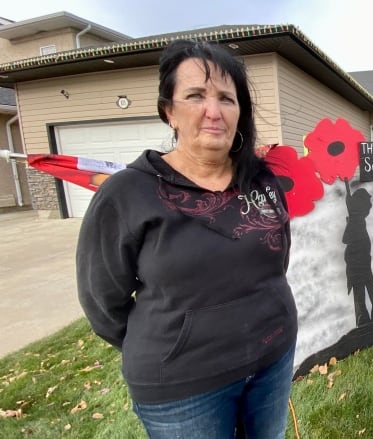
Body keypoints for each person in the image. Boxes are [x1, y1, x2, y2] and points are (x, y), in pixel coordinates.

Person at [76, 39, 297, 439]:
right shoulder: (127, 194)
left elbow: (276, 260)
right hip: (184, 387)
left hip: (273, 358)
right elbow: (101, 301)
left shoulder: (261, 179)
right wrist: (177, 343)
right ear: (169, 111)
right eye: (196, 95)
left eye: (227, 99)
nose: (214, 112)